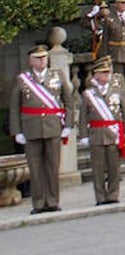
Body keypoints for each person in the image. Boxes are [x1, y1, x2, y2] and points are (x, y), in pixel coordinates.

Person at [10, 44, 74, 214]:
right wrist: (17, 131)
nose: (42, 61)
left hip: (53, 127)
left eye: (44, 57)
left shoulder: (57, 75)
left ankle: (53, 201)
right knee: (36, 168)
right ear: (31, 61)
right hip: (31, 128)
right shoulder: (22, 79)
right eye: (38, 58)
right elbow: (15, 107)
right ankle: (38, 203)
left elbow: (68, 101)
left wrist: (68, 125)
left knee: (53, 166)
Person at [78, 57, 125, 205]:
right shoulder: (88, 94)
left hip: (113, 133)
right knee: (98, 168)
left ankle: (113, 194)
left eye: (108, 72)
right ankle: (100, 196)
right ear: (96, 75)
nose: (107, 75)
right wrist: (84, 135)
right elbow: (83, 116)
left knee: (114, 167)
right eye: (103, 73)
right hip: (97, 133)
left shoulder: (117, 91)